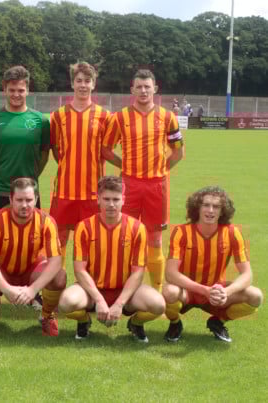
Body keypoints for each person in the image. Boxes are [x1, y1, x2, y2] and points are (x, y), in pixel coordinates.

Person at [102, 69, 184, 292]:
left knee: (155, 239)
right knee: (124, 236)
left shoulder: (168, 117)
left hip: (157, 186)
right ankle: (121, 287)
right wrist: (126, 166)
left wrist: (160, 169)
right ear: (132, 90)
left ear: (155, 89)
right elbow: (106, 149)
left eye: (147, 86)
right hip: (128, 185)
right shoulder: (120, 117)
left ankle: (156, 290)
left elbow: (178, 151)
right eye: (139, 86)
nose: (143, 90)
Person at [58, 176, 165, 342]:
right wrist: (99, 300)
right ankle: (84, 320)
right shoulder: (84, 227)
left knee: (158, 305)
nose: (111, 204)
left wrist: (119, 304)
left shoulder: (137, 228)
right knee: (66, 303)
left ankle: (135, 323)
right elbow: (79, 270)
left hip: (126, 291)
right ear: (98, 199)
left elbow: (138, 272)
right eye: (106, 199)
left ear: (123, 200)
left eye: (116, 199)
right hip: (92, 290)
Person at [163, 186, 263, 343]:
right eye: (206, 205)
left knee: (255, 296)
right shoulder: (181, 232)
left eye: (216, 206)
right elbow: (170, 273)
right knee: (169, 291)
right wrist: (204, 290)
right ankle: (175, 323)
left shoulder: (232, 233)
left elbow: (247, 274)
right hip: (187, 290)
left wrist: (226, 292)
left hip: (216, 291)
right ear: (197, 207)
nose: (210, 210)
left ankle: (218, 321)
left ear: (222, 211)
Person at [0, 177, 66, 337]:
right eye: (19, 200)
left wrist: (33, 289)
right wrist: (6, 289)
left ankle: (47, 315)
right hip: (3, 270)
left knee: (59, 276)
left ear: (36, 199)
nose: (24, 205)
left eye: (29, 200)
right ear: (11, 199)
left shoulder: (46, 221)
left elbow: (56, 261)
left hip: (31, 270)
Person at [50, 61, 111, 271]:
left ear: (93, 84)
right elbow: (56, 149)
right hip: (64, 190)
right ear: (72, 83)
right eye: (79, 81)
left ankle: (89, 284)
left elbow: (106, 150)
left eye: (87, 81)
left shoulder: (105, 116)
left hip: (93, 191)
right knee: (59, 239)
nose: (83, 85)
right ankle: (55, 285)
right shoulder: (58, 115)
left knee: (92, 240)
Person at [0, 65, 49, 218]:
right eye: (11, 90)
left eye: (21, 90)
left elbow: (44, 155)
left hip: (29, 193)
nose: (16, 94)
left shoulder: (41, 121)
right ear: (4, 90)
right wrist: (0, 169)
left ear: (28, 90)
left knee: (31, 233)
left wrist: (32, 175)